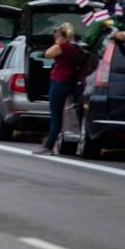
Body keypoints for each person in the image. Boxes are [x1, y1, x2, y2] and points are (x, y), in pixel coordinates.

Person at [35, 23, 81, 155]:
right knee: (65, 115)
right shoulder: (76, 48)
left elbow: (46, 54)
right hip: (70, 81)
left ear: (61, 36)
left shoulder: (61, 47)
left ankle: (48, 146)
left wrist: (55, 44)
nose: (55, 39)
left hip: (58, 82)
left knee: (56, 117)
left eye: (56, 37)